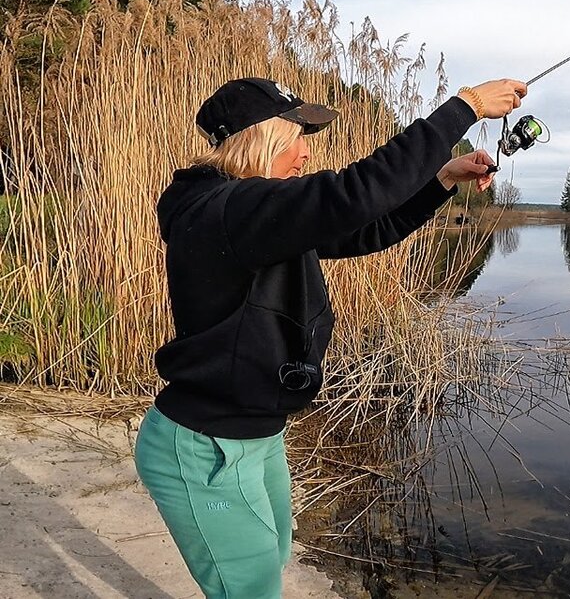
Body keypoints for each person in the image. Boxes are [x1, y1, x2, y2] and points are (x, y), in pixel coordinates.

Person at [133, 76, 527, 598]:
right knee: (250, 589)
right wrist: (464, 108)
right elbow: (354, 194)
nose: (303, 155)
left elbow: (367, 229)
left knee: (271, 562)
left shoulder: (255, 218)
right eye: (295, 138)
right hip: (208, 448)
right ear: (261, 139)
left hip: (254, 436)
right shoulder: (227, 210)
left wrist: (442, 181)